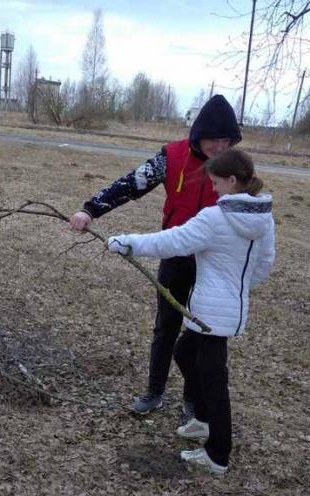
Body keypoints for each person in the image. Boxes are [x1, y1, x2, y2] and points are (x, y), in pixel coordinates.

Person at [70, 95, 242, 415]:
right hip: (175, 255)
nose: (220, 147)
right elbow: (131, 184)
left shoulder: (236, 166)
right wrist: (90, 210)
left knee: (201, 332)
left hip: (214, 264)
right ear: (198, 135)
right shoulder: (172, 156)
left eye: (226, 140)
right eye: (214, 140)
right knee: (166, 327)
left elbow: (251, 211)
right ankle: (154, 392)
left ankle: (193, 400)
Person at [107, 148, 275, 474]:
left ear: (231, 180)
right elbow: (264, 265)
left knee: (215, 382)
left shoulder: (216, 217)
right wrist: (236, 290)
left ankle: (217, 454)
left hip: (212, 313)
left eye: (215, 182)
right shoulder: (264, 218)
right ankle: (201, 420)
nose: (212, 189)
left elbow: (172, 242)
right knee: (184, 352)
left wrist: (127, 242)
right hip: (228, 309)